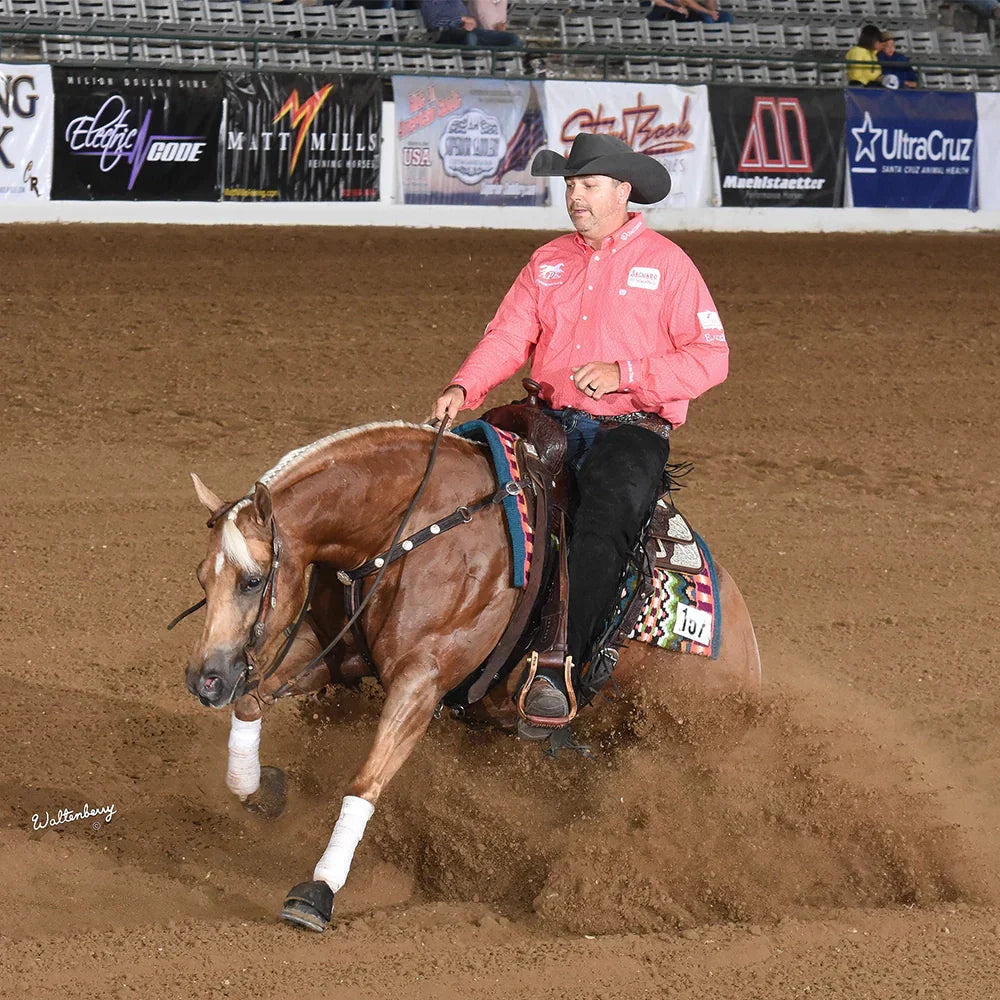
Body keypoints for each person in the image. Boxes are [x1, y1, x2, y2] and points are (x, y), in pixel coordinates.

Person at [429, 133, 729, 733]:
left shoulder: (669, 265)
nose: (575, 198)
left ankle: (560, 665)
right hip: (546, 416)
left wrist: (628, 373)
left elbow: (712, 357)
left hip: (629, 427)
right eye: (570, 186)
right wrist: (465, 388)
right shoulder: (548, 261)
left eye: (587, 186)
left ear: (623, 191)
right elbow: (509, 337)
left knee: (606, 515)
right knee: (454, 473)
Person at [419, 0, 523, 47]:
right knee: (471, 37)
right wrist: (461, 19)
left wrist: (470, 22)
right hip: (444, 33)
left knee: (512, 38)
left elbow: (468, 18)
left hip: (467, 30)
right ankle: (472, 72)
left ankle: (504, 66)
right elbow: (433, 23)